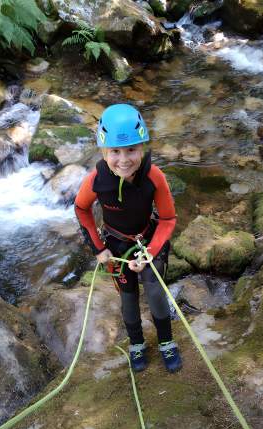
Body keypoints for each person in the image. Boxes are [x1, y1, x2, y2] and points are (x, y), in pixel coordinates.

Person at [74, 103, 182, 373]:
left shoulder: (153, 176)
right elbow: (81, 208)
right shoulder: (96, 180)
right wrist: (98, 248)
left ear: (142, 148)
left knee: (155, 290)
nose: (124, 159)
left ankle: (166, 341)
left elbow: (168, 219)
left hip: (148, 240)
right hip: (116, 245)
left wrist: (151, 251)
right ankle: (136, 343)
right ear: (104, 152)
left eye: (131, 149)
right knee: (128, 296)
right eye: (115, 152)